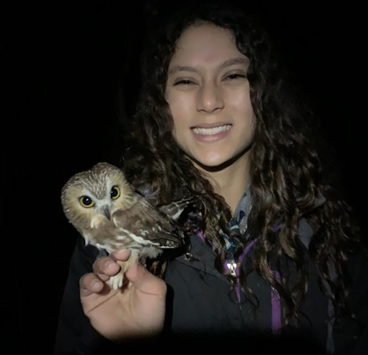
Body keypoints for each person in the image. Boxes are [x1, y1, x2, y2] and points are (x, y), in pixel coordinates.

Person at [54, 1, 368, 354]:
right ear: (162, 100)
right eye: (186, 80)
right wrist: (132, 344)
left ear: (264, 92)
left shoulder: (324, 223)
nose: (208, 100)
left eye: (233, 75)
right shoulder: (108, 245)